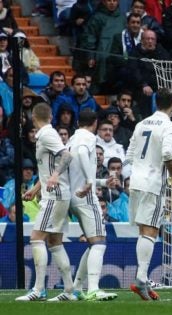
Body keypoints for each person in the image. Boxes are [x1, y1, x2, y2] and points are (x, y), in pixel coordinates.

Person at [16, 103, 75, 302]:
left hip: (54, 196)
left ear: (34, 118)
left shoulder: (47, 135)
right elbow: (48, 170)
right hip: (56, 194)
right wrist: (34, 190)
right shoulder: (46, 135)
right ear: (50, 117)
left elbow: (67, 155)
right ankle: (69, 290)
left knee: (36, 238)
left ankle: (39, 289)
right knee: (54, 242)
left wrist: (56, 175)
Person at [126, 88, 172, 301]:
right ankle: (141, 279)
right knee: (151, 231)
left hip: (135, 181)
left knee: (143, 231)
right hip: (153, 182)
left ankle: (142, 279)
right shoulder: (170, 126)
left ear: (156, 102)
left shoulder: (141, 123)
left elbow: (129, 154)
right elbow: (167, 153)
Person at [66, 110, 118, 301]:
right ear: (95, 123)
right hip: (86, 196)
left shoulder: (72, 139)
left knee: (92, 242)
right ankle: (94, 289)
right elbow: (81, 155)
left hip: (72, 196)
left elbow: (74, 169)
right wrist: (89, 181)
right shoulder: (88, 138)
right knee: (100, 242)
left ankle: (78, 287)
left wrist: (101, 183)